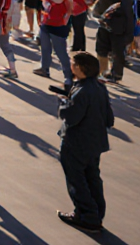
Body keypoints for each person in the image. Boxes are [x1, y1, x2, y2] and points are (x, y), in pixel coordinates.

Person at [56, 52, 114, 233]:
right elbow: (109, 118)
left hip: (77, 142)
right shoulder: (99, 87)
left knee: (76, 179)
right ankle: (96, 212)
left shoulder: (81, 91)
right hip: (95, 142)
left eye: (73, 63)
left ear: (80, 68)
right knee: (92, 178)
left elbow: (72, 117)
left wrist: (64, 105)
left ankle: (87, 215)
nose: (70, 65)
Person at [34, 0, 74, 93]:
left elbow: (68, 11)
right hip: (46, 24)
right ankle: (44, 68)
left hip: (58, 27)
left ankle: (68, 76)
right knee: (45, 48)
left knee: (61, 52)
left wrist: (63, 24)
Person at [92, 0, 136, 82]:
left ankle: (116, 74)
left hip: (118, 31)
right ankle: (102, 72)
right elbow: (97, 10)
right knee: (102, 50)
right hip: (106, 28)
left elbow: (129, 18)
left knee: (117, 53)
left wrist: (129, 34)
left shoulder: (125, 0)